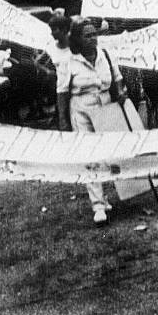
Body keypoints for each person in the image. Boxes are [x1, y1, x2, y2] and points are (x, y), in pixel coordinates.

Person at [57, 19, 126, 224]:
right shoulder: (68, 61)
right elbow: (61, 92)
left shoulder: (104, 54)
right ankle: (98, 205)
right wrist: (63, 122)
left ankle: (106, 197)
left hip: (105, 106)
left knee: (109, 152)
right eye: (87, 35)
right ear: (77, 39)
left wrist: (121, 91)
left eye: (94, 34)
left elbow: (117, 77)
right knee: (90, 155)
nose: (92, 38)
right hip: (82, 109)